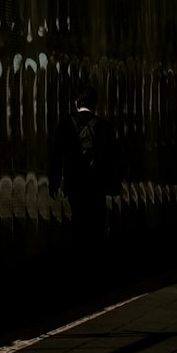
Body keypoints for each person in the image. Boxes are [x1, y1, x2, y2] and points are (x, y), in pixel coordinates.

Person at [50, 77, 121, 255]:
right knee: (97, 221)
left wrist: (54, 181)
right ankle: (95, 256)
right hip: (98, 185)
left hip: (75, 185)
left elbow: (58, 156)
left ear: (76, 103)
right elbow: (114, 158)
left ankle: (81, 256)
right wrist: (114, 183)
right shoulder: (105, 127)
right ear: (95, 104)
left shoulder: (65, 127)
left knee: (78, 221)